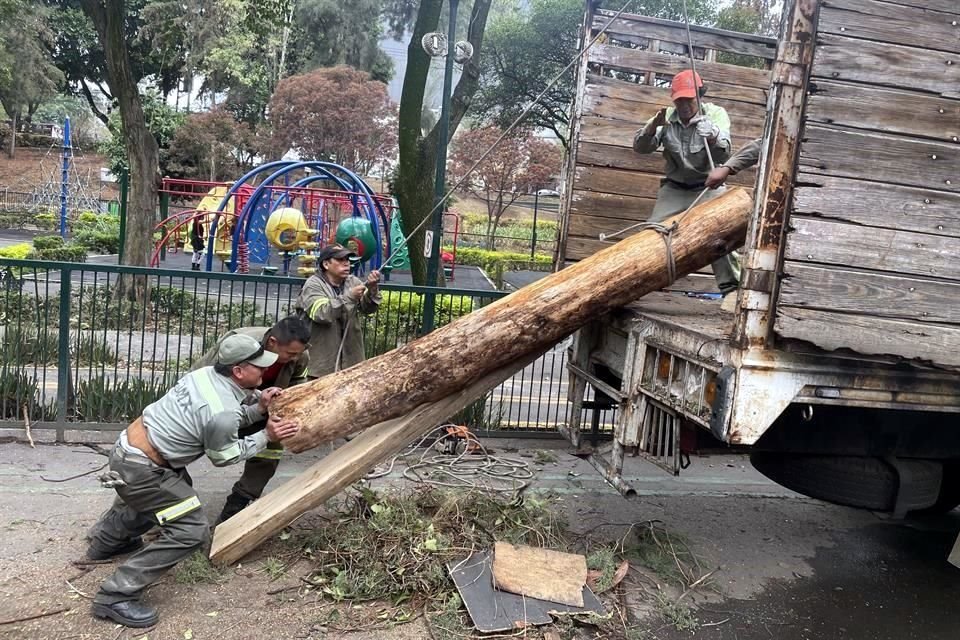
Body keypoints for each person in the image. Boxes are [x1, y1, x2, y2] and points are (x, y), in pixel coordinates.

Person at [86, 334, 300, 628]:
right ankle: (115, 596)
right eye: (258, 367)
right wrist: (267, 436)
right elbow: (223, 456)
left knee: (168, 497)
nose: (264, 372)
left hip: (130, 450)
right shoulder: (221, 410)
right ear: (238, 371)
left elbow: (226, 417)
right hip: (146, 469)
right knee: (190, 529)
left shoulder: (205, 375)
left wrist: (259, 408)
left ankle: (106, 543)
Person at [633, 69, 741, 311]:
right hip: (674, 188)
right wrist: (651, 128)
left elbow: (725, 152)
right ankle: (638, 286)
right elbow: (641, 148)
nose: (683, 105)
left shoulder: (715, 114)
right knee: (652, 234)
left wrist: (712, 135)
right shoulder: (665, 118)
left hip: (708, 186)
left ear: (699, 96)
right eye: (679, 100)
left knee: (721, 232)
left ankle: (732, 291)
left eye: (689, 100)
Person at [189, 316, 311, 523]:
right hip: (217, 403)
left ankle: (237, 506)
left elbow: (298, 384)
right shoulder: (240, 344)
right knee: (178, 450)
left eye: (297, 354)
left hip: (264, 404)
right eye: (290, 353)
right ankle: (145, 511)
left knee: (271, 448)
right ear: (272, 342)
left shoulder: (300, 355)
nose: (294, 358)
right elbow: (205, 377)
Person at [295, 243, 382, 378]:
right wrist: (349, 297)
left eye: (347, 260)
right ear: (326, 264)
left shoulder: (352, 281)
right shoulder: (313, 285)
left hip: (351, 364)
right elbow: (322, 314)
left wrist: (372, 289)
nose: (346, 263)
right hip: (321, 367)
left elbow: (368, 309)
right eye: (340, 260)